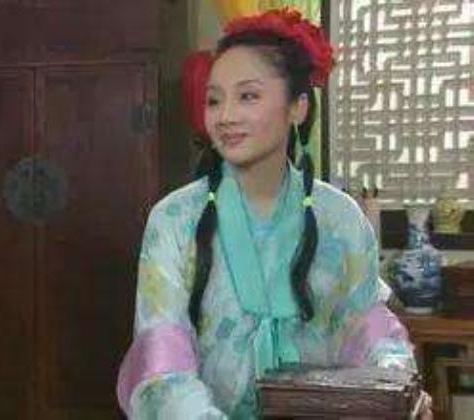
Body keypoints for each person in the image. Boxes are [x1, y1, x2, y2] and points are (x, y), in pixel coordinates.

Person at [116, 8, 431, 419]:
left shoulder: (340, 218)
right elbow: (162, 358)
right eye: (214, 99)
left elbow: (367, 328)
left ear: (297, 107)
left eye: (248, 96)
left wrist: (398, 388)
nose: (225, 116)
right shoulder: (174, 219)